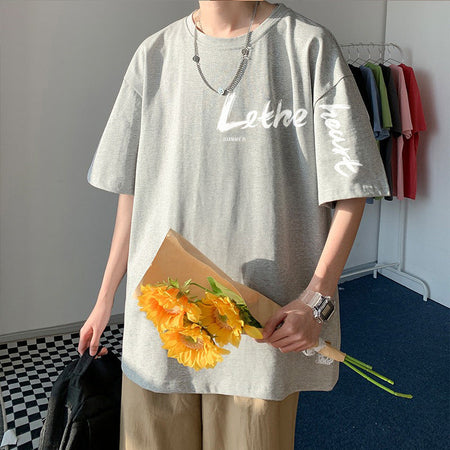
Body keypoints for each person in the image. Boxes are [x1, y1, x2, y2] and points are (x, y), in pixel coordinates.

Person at [80, 1, 391, 449]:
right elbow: (132, 194)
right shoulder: (154, 55)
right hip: (164, 320)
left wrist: (317, 299)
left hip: (263, 325)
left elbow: (352, 188)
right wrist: (104, 298)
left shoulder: (306, 47)